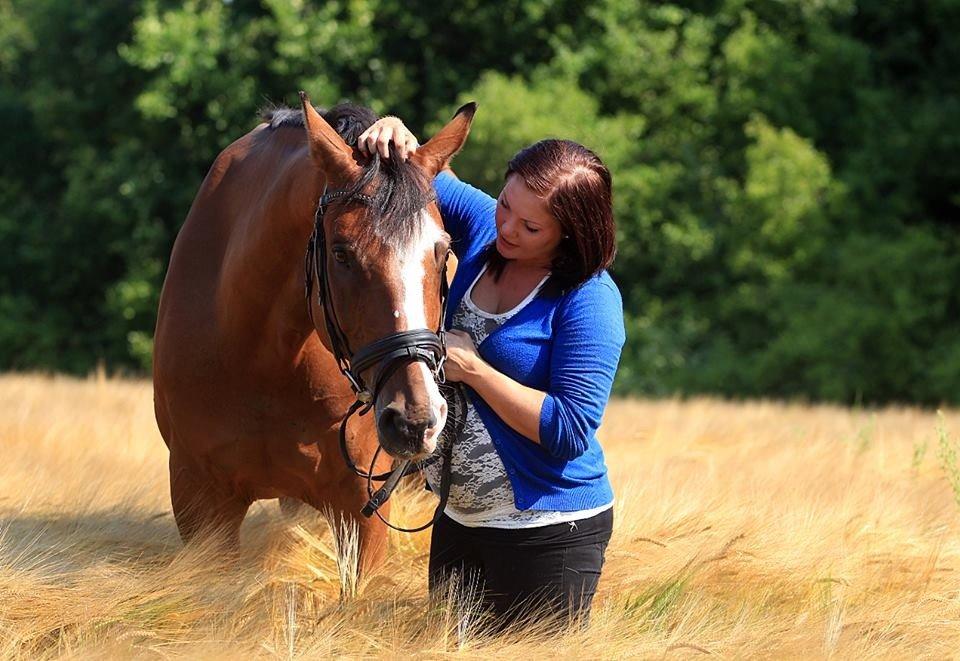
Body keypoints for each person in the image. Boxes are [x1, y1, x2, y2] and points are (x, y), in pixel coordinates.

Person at [357, 116, 626, 629]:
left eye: (531, 227)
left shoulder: (590, 300)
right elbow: (428, 175)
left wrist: (475, 371)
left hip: (549, 527)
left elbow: (569, 431)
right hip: (459, 519)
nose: (507, 227)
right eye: (505, 205)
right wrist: (393, 128)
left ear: (570, 234)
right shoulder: (486, 231)